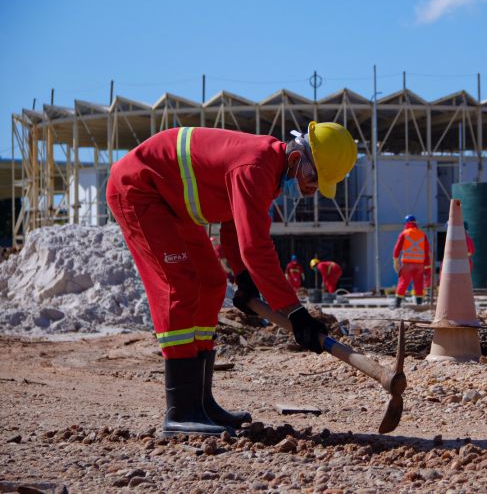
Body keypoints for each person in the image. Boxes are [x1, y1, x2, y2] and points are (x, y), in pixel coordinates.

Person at [106, 122, 356, 437]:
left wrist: (243, 278)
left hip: (173, 206)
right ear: (295, 160)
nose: (312, 188)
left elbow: (232, 229)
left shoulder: (270, 173)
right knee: (179, 286)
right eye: (313, 177)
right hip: (140, 190)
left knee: (211, 283)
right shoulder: (256, 166)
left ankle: (200, 403)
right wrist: (295, 312)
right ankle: (180, 412)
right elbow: (255, 247)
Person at [392, 214, 430, 307]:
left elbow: (397, 249)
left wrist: (396, 262)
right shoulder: (423, 235)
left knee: (403, 282)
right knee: (419, 283)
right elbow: (427, 251)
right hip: (420, 264)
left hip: (407, 263)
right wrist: (427, 266)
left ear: (406, 224)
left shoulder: (404, 234)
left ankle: (397, 304)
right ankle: (419, 304)